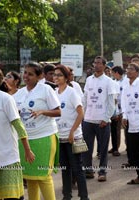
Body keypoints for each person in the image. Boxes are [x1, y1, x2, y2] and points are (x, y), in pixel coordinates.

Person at [14, 62, 61, 200]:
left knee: (43, 176)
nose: (26, 76)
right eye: (25, 73)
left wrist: (42, 111)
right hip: (25, 140)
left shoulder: (46, 90)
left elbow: (58, 111)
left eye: (30, 74)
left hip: (44, 137)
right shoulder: (19, 93)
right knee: (30, 178)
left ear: (39, 76)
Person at [0, 65, 35, 200]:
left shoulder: (5, 99)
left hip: (8, 157)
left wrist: (27, 149)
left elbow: (18, 125)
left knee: (12, 196)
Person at [54, 65, 89, 200]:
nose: (56, 77)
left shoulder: (72, 92)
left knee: (77, 169)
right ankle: (66, 196)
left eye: (59, 75)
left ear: (67, 77)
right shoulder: (54, 93)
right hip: (60, 137)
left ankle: (84, 196)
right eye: (55, 75)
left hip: (74, 137)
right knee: (65, 169)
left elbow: (81, 114)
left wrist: (72, 132)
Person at [82, 56, 117, 182]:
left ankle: (102, 172)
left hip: (102, 120)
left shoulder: (109, 81)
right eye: (94, 63)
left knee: (102, 148)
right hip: (88, 119)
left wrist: (106, 118)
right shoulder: (89, 80)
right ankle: (88, 170)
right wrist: (83, 115)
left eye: (98, 63)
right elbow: (85, 98)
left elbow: (111, 102)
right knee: (86, 147)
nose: (96, 65)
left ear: (104, 66)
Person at [110, 66, 125, 156]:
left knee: (126, 130)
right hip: (116, 109)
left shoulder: (126, 82)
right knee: (116, 130)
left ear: (116, 73)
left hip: (124, 109)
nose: (112, 74)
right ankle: (115, 147)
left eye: (112, 73)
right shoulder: (114, 82)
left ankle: (128, 147)